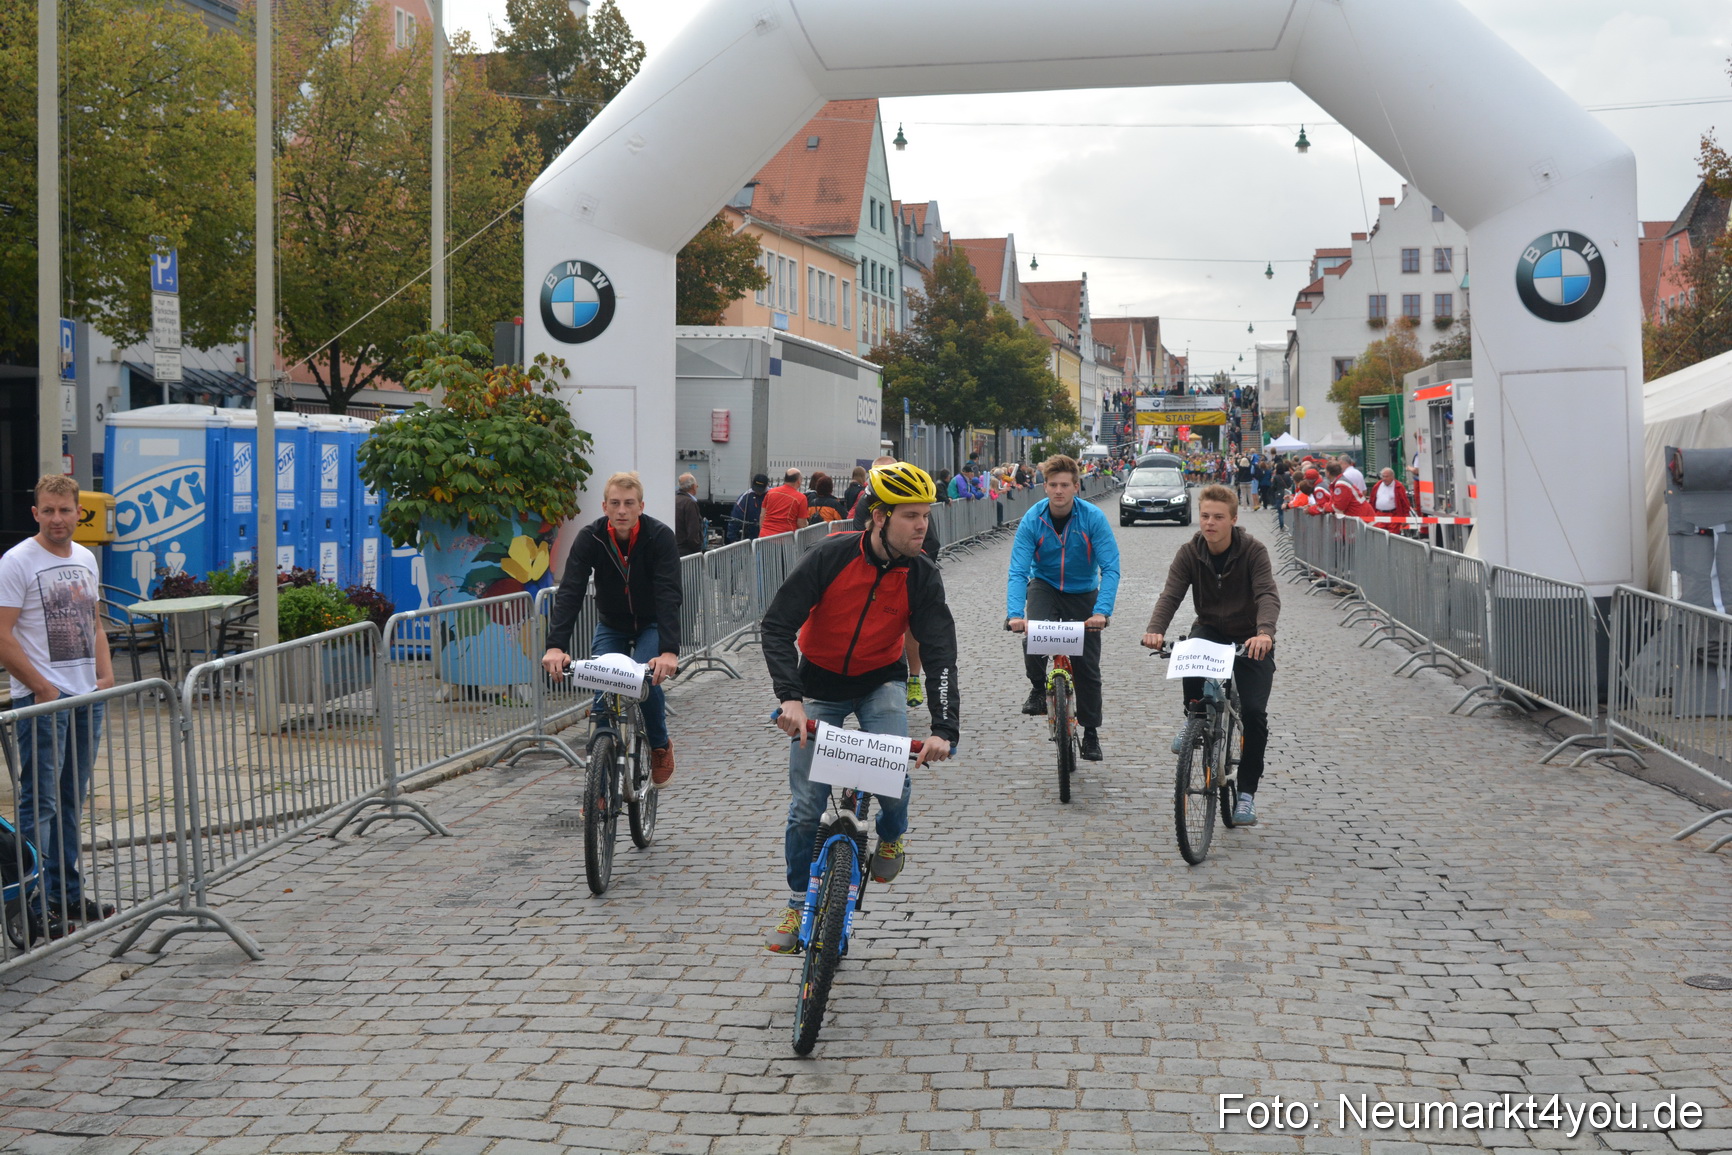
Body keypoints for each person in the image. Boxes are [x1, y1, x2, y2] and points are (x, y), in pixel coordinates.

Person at [760, 463, 958, 953]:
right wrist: (791, 700)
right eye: (911, 516)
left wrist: (943, 729)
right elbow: (777, 627)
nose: (922, 526)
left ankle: (892, 834)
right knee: (806, 806)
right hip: (819, 684)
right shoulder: (828, 557)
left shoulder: (922, 575)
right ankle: (796, 899)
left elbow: (940, 654)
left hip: (880, 682)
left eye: (925, 517)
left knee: (892, 781)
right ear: (877, 517)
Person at [0, 474, 116, 939]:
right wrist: (42, 688)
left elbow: (95, 622)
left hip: (88, 696)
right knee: (41, 803)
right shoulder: (17, 561)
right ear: (35, 513)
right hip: (45, 701)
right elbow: (2, 635)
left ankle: (67, 893)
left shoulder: (86, 558)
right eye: (47, 510)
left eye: (65, 510)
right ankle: (32, 905)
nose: (56, 519)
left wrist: (106, 677)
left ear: (78, 513)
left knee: (72, 798)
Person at [1140, 484, 1280, 826]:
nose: (1210, 523)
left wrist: (1264, 633)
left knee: (1255, 715)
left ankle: (1246, 794)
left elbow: (1267, 595)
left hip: (1250, 635)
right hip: (1211, 628)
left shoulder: (1253, 551)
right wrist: (1155, 629)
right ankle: (1194, 718)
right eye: (1204, 516)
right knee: (1189, 649)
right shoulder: (1190, 552)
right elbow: (1171, 594)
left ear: (1233, 519)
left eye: (1218, 517)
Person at [543, 472, 682, 786]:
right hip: (612, 623)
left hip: (652, 623)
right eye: (615, 503)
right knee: (603, 695)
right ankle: (599, 787)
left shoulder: (659, 536)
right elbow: (570, 591)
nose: (622, 510)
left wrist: (669, 651)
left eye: (629, 503)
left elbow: (669, 593)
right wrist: (555, 646)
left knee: (644, 682)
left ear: (640, 506)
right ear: (605, 506)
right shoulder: (590, 538)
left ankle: (660, 746)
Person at [1005, 454, 1121, 762]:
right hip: (1044, 586)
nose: (1059, 491)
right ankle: (1038, 690)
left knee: (1087, 668)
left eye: (1065, 485)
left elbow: (1111, 567)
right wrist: (1015, 614)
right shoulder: (1033, 518)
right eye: (1053, 485)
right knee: (1033, 637)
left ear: (1076, 487)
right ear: (1045, 487)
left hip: (1083, 592)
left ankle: (1092, 731)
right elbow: (1018, 570)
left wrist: (1102, 611)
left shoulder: (1092, 518)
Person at [851, 456, 940, 704]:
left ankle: (913, 677)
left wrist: (919, 571)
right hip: (872, 570)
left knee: (913, 625)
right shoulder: (865, 503)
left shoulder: (911, 503)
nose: (921, 523)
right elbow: (861, 537)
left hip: (908, 568)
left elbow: (931, 542)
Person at [759, 469, 809, 536]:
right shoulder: (800, 498)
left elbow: (762, 515)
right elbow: (801, 523)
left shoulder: (771, 492)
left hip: (765, 536)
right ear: (798, 481)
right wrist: (807, 525)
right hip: (785, 538)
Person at [726, 474, 769, 543]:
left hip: (769, 536)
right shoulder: (746, 497)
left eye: (760, 490)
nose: (758, 493)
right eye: (756, 490)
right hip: (751, 536)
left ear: (767, 486)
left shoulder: (772, 494)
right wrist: (732, 538)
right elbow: (735, 517)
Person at [674, 473, 704, 555]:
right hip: (687, 551)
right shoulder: (690, 503)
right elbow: (693, 532)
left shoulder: (674, 500)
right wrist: (698, 550)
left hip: (676, 549)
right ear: (693, 487)